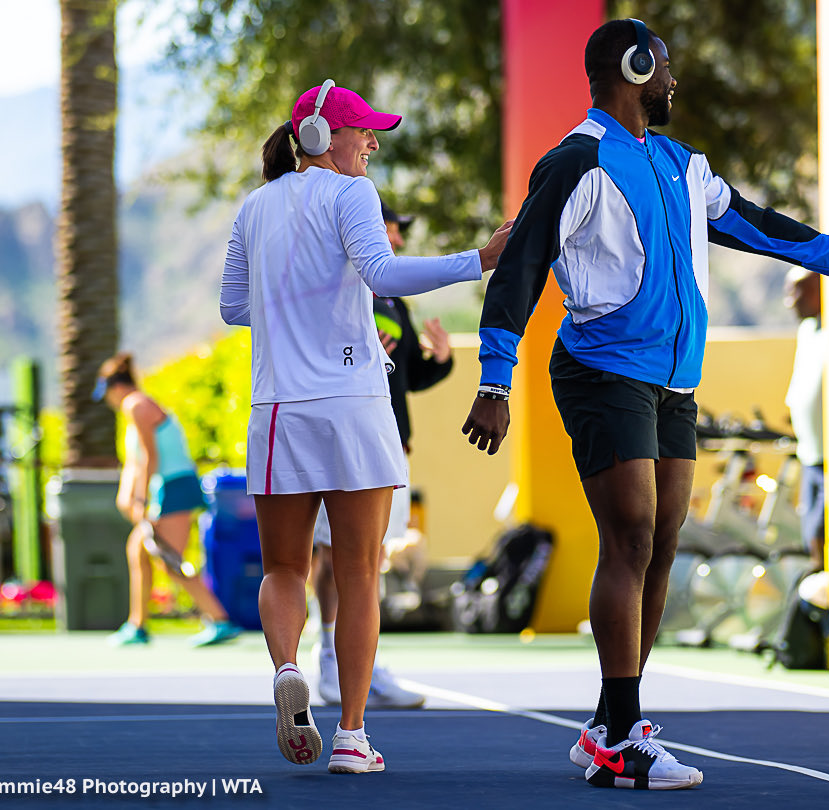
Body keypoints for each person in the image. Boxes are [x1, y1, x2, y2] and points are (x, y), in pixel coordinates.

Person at [461, 19, 829, 791]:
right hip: (601, 369)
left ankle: (612, 725)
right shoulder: (575, 161)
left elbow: (761, 227)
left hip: (672, 382)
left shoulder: (681, 165)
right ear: (636, 69)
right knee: (632, 536)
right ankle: (621, 734)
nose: (673, 81)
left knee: (662, 543)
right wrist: (495, 380)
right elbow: (521, 271)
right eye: (664, 67)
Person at [220, 79, 511, 774]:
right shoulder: (353, 195)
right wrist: (480, 259)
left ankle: (288, 665)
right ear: (322, 136)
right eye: (365, 131)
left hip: (278, 411)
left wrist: (298, 314)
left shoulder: (253, 208)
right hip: (352, 405)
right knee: (357, 575)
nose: (374, 142)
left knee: (286, 567)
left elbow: (235, 308)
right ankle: (351, 735)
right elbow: (381, 270)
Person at [309, 202, 453, 710]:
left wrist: (442, 359)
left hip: (389, 443)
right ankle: (328, 657)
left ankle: (361, 664)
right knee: (332, 552)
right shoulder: (335, 284)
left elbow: (408, 374)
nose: (397, 238)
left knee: (368, 559)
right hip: (343, 437)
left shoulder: (394, 296)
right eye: (391, 228)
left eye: (399, 231)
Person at [95, 353, 242, 648]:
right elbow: (136, 461)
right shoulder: (136, 407)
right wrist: (130, 494)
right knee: (138, 550)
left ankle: (220, 619)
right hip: (168, 487)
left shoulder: (135, 405)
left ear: (115, 388)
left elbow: (150, 456)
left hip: (175, 488)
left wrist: (139, 498)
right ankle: (137, 625)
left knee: (169, 560)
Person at [783, 268, 825, 570]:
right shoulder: (808, 331)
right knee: (811, 533)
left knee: (823, 532)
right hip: (809, 455)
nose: (790, 301)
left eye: (797, 291)